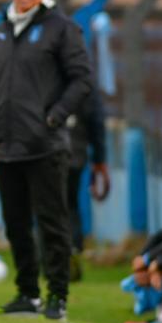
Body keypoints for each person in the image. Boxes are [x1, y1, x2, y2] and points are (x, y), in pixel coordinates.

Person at [0, 0, 92, 321]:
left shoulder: (62, 28)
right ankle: (27, 293)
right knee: (15, 225)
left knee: (51, 223)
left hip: (45, 146)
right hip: (4, 144)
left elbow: (81, 80)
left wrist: (54, 117)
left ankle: (57, 296)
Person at [65, 84, 110, 281]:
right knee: (71, 204)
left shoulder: (47, 72)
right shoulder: (86, 83)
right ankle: (73, 249)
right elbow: (97, 122)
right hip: (76, 156)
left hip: (50, 154)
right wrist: (99, 159)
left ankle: (53, 259)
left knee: (48, 207)